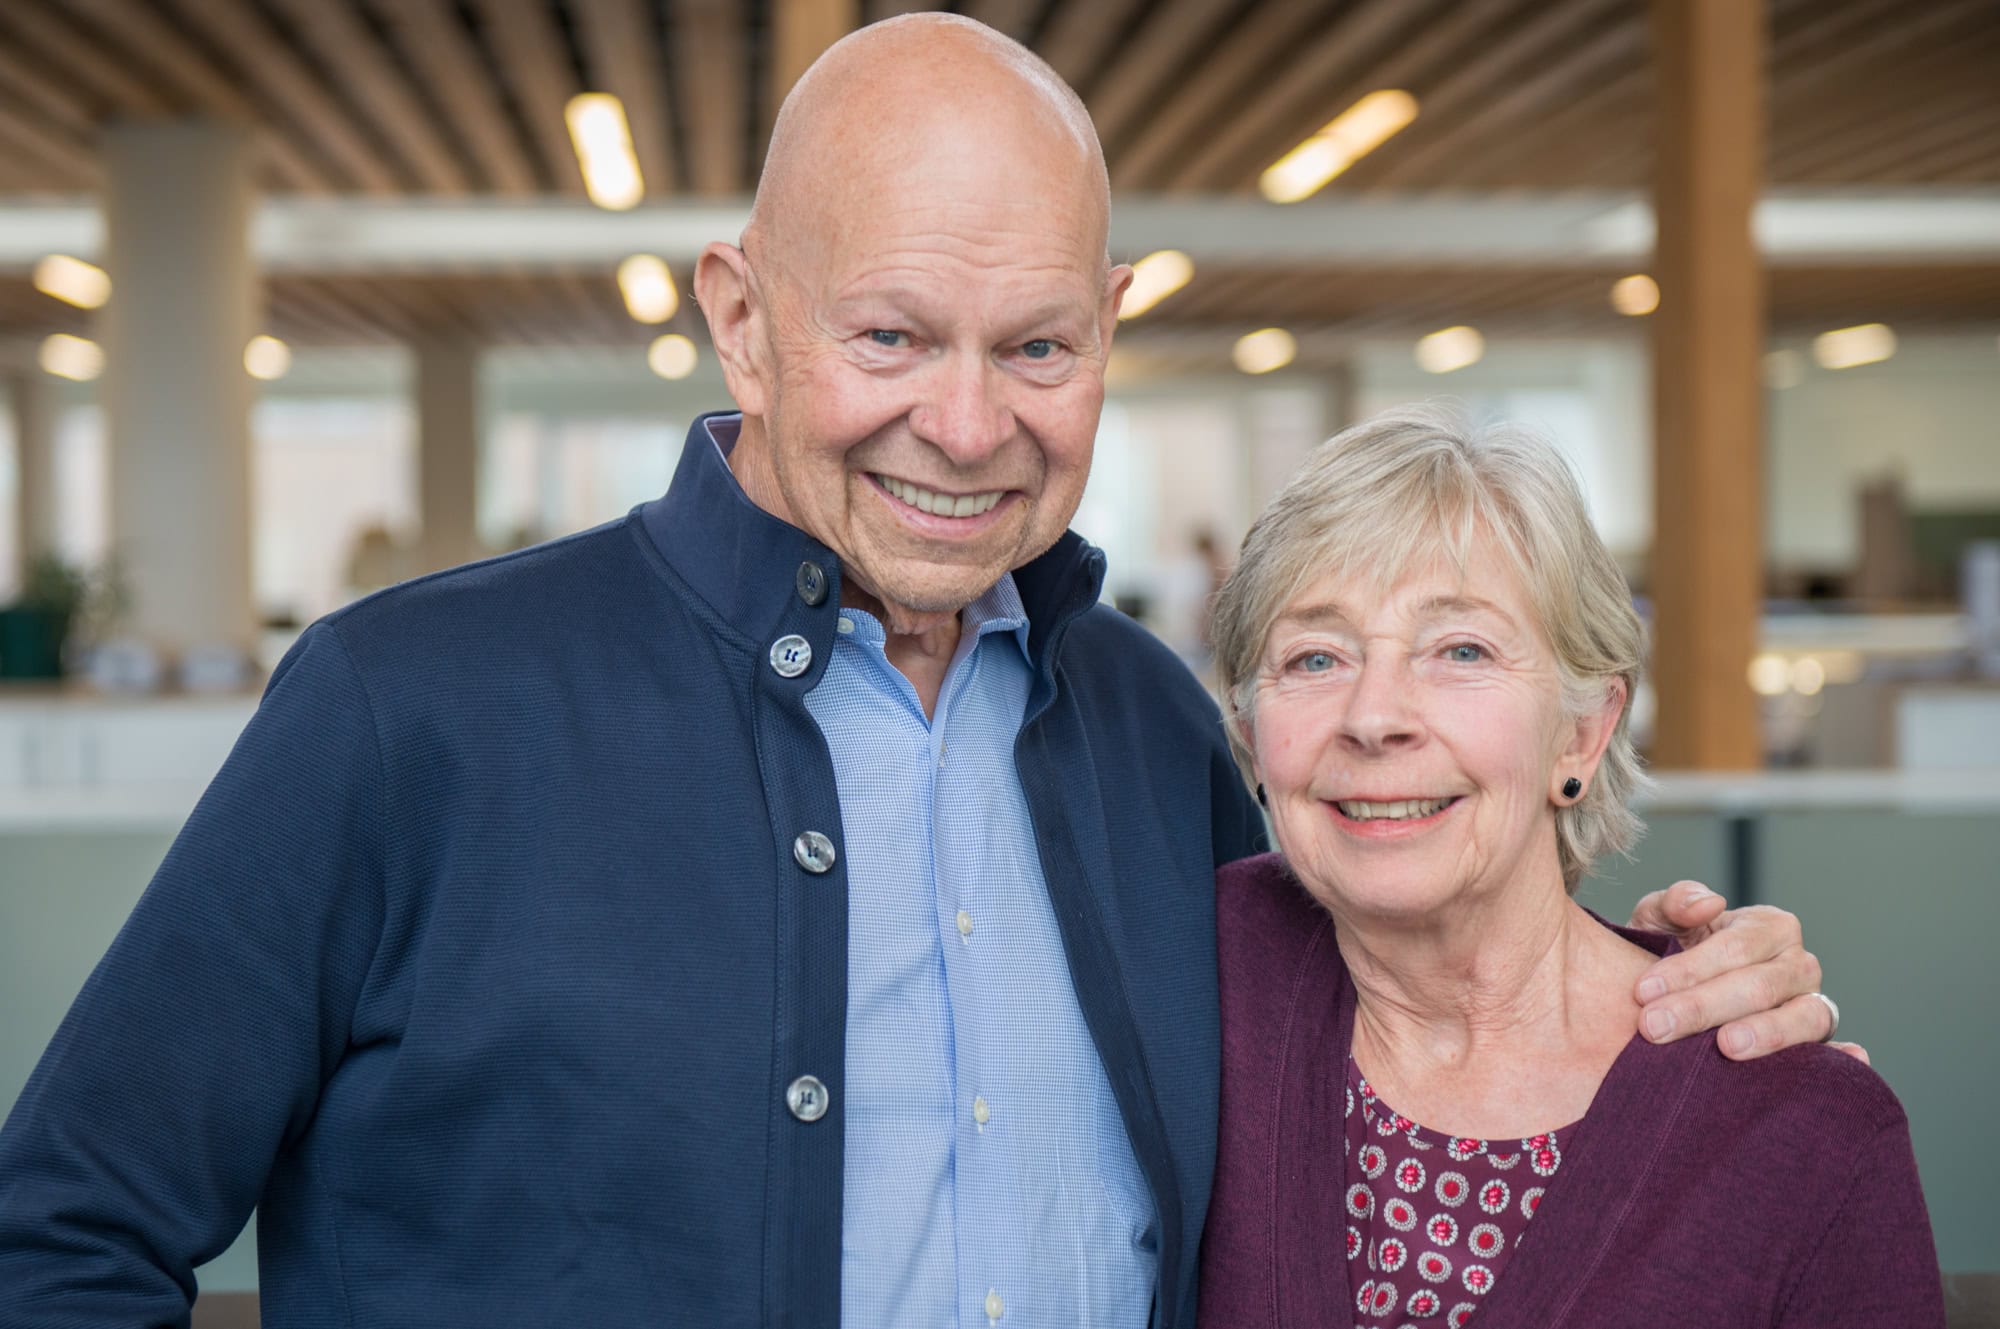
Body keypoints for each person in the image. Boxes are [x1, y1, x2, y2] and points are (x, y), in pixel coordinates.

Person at [0, 17, 1840, 1329]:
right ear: (740, 313)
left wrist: (1687, 983)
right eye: (890, 332)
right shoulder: (405, 708)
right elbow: (60, 1235)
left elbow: (1419, 1007)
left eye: (1036, 344)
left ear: (1110, 327)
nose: (966, 424)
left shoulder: (1153, 729)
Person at [1198, 406, 1940, 1327]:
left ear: (1583, 730)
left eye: (1460, 649)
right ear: (1248, 732)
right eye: (1315, 656)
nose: (1373, 714)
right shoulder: (1189, 977)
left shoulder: (1801, 1125)